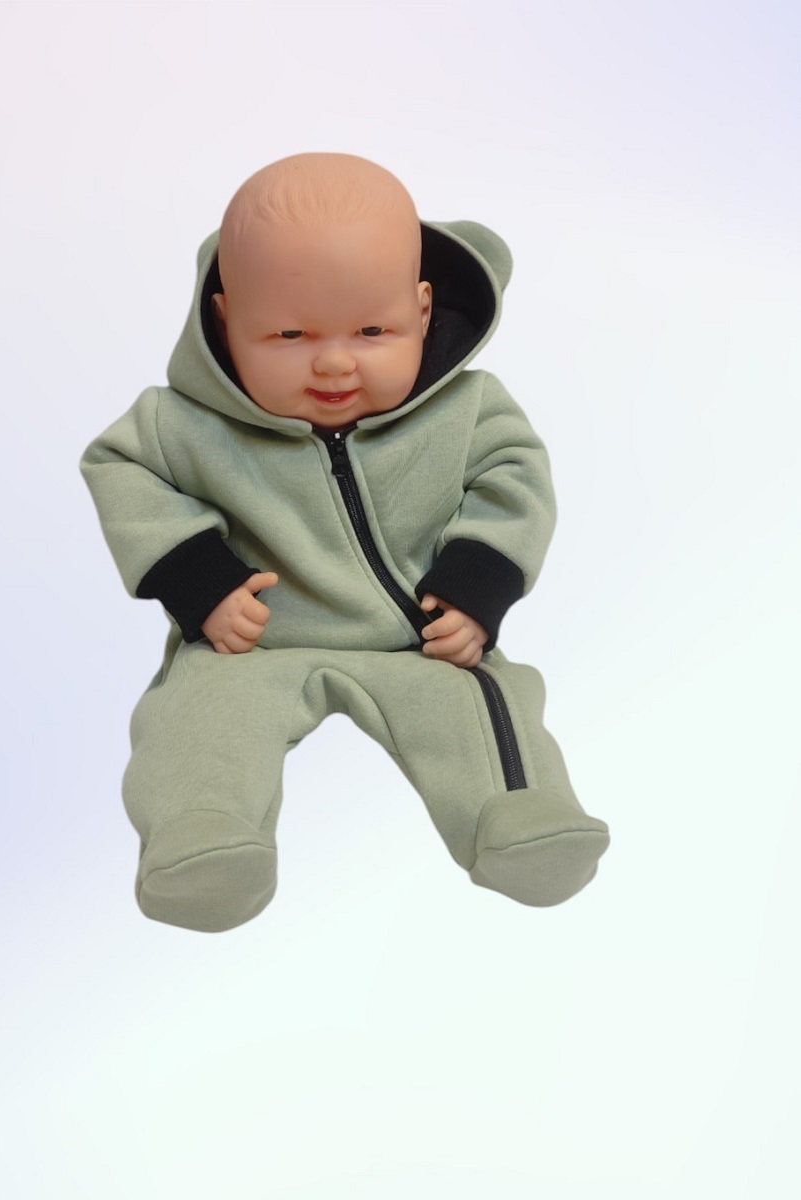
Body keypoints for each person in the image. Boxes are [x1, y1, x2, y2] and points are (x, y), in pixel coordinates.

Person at [81, 152, 610, 932]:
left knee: (482, 710)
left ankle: (520, 819)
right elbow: (121, 469)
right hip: (252, 643)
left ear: (422, 311)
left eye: (372, 330)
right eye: (289, 333)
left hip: (423, 639)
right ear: (226, 320)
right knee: (198, 719)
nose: (333, 361)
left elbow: (515, 479)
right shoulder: (181, 424)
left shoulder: (471, 411)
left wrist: (477, 586)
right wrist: (200, 580)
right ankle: (204, 837)